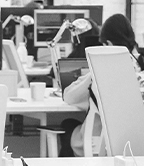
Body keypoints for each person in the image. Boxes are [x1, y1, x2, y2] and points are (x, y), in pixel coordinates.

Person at [60, 13, 144, 156]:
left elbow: (69, 97)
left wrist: (94, 70)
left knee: (67, 125)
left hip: (102, 145)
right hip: (138, 144)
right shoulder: (139, 66)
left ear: (109, 44)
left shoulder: (104, 71)